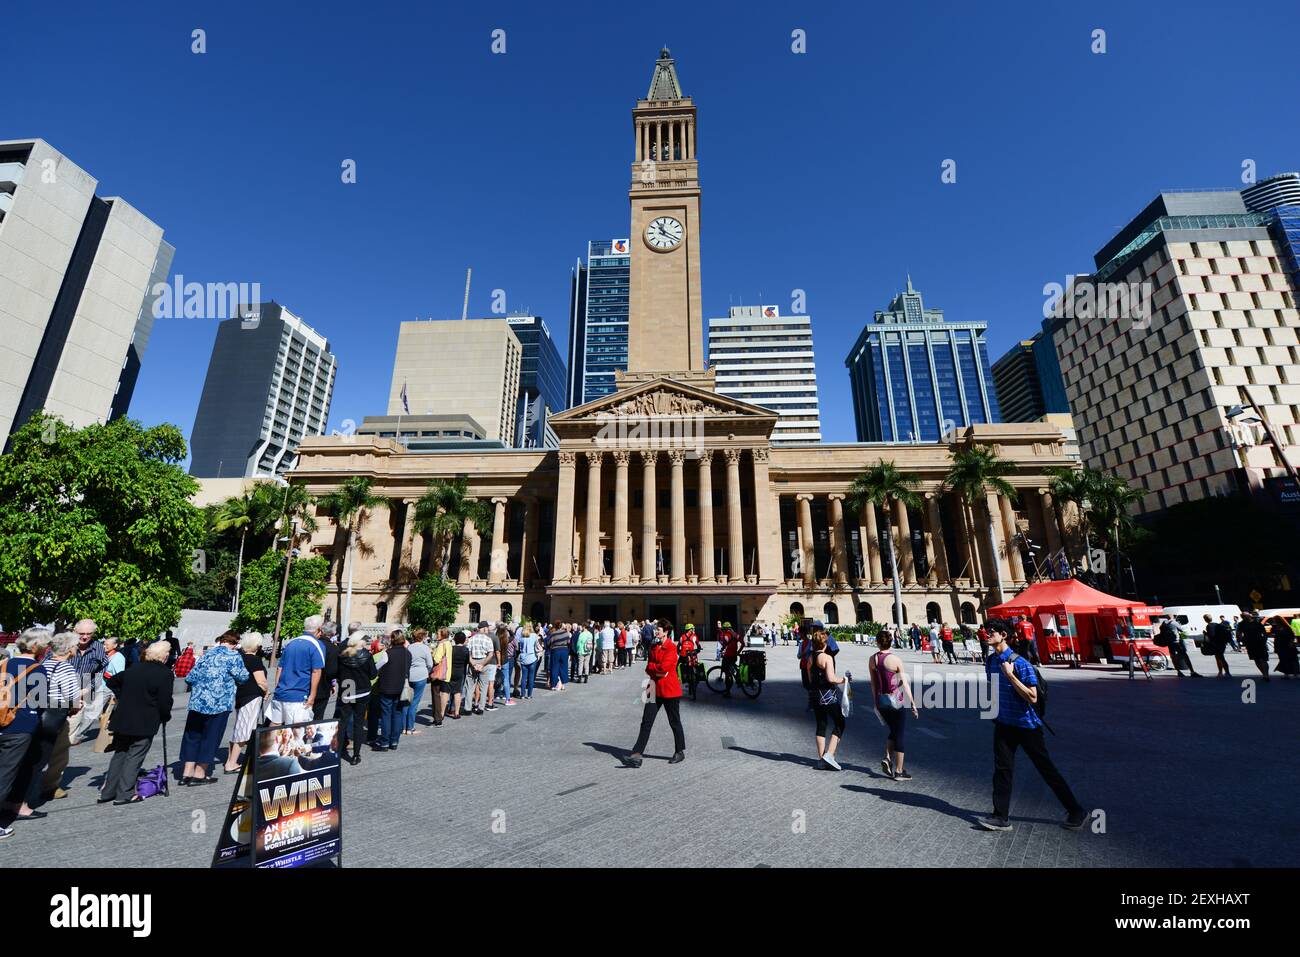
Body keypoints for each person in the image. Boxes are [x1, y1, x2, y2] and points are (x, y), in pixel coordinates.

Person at [979, 618, 1085, 832]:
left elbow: (1032, 697)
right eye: (985, 631)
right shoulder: (990, 661)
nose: (986, 634)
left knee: (1045, 769)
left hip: (1027, 726)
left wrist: (1010, 676)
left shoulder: (1020, 663)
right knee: (1002, 769)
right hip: (1004, 724)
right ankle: (1001, 817)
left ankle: (1076, 810)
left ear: (1004, 635)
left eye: (991, 631)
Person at [98, 641, 174, 806]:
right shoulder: (165, 674)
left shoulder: (134, 668)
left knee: (120, 753)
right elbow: (164, 701)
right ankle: (124, 794)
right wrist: (165, 716)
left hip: (124, 717)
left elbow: (112, 681)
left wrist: (122, 695)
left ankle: (108, 792)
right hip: (145, 719)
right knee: (135, 755)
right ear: (165, 656)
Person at [179, 631, 249, 785]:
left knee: (192, 736)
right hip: (219, 704)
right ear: (235, 643)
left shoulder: (207, 655)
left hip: (197, 703)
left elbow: (190, 678)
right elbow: (243, 677)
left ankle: (186, 773)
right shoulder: (233, 656)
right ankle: (199, 774)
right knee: (210, 737)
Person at [624, 621, 685, 768]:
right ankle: (637, 754)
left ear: (665, 632)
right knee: (646, 721)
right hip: (652, 687)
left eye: (658, 630)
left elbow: (664, 669)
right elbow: (648, 668)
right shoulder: (653, 646)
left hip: (670, 690)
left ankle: (679, 751)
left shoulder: (671, 647)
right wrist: (655, 668)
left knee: (674, 721)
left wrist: (655, 668)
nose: (655, 632)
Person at [869, 631, 918, 779]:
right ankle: (899, 770)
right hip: (896, 701)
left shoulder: (873, 659)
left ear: (877, 642)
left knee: (893, 730)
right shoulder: (895, 660)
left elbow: (873, 683)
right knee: (900, 734)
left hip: (881, 701)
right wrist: (913, 704)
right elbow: (904, 683)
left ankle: (888, 758)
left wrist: (875, 702)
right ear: (890, 642)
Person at [267, 615, 326, 725]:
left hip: (282, 691)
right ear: (319, 629)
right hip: (299, 694)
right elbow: (316, 671)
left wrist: (277, 687)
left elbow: (280, 667)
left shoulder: (291, 643)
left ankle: (271, 743)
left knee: (275, 725)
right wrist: (312, 696)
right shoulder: (317, 645)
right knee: (296, 731)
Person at [225, 635, 268, 773]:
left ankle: (230, 760)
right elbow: (261, 681)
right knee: (245, 730)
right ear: (257, 646)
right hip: (252, 696)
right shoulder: (254, 660)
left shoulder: (239, 658)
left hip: (240, 696)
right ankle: (232, 763)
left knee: (239, 728)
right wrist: (266, 691)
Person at [807, 631, 848, 771]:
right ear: (825, 644)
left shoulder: (811, 657)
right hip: (827, 695)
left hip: (814, 694)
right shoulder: (827, 658)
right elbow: (831, 678)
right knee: (840, 722)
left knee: (821, 724)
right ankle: (829, 755)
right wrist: (844, 680)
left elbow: (809, 676)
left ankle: (821, 759)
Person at [336, 634, 377, 763]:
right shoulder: (367, 655)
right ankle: (356, 755)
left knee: (342, 722)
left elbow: (337, 673)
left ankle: (338, 751)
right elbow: (373, 675)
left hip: (347, 690)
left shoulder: (343, 655)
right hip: (362, 691)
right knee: (358, 724)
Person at [67, 620, 108, 746]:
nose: (85, 637)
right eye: (82, 633)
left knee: (71, 729)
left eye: (89, 634)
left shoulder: (99, 648)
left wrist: (87, 689)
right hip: (61, 690)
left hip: (83, 691)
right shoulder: (64, 645)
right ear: (75, 631)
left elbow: (101, 671)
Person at [375, 630, 411, 750]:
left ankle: (385, 741)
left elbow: (377, 666)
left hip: (387, 687)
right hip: (401, 687)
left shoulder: (388, 653)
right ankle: (394, 741)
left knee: (386, 714)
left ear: (392, 639)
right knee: (398, 713)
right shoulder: (407, 653)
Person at [404, 628, 433, 733]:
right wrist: (427, 671)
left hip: (409, 675)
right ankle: (410, 727)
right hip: (421, 675)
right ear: (423, 637)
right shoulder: (425, 648)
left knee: (406, 701)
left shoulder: (409, 647)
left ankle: (403, 726)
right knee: (415, 702)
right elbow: (430, 664)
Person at [310, 622, 341, 721]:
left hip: (307, 683)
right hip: (323, 686)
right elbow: (332, 671)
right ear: (333, 633)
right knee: (318, 715)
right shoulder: (334, 649)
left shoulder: (313, 644)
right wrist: (333, 683)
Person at [465, 623, 495, 714]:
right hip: (484, 662)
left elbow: (468, 653)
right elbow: (490, 654)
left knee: (470, 687)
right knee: (483, 686)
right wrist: (482, 664)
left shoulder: (471, 639)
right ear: (485, 629)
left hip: (473, 661)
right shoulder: (488, 639)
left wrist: (473, 663)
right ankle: (481, 708)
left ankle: (468, 708)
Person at [428, 627, 453, 724]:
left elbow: (436, 660)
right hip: (446, 672)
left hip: (438, 673)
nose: (436, 635)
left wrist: (431, 654)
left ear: (442, 634)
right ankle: (439, 716)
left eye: (438, 633)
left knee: (435, 695)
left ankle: (437, 718)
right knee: (441, 694)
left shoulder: (441, 645)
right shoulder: (449, 644)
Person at [1238, 613, 1270, 681]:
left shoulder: (1257, 623)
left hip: (1260, 643)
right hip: (1250, 644)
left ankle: (1266, 675)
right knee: (1256, 660)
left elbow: (1264, 632)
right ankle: (1264, 674)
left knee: (1263, 659)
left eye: (1245, 616)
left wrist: (1264, 640)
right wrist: (1242, 640)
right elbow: (1239, 633)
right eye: (1243, 617)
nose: (1244, 618)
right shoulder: (1241, 624)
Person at [448, 631, 471, 718]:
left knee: (449, 691)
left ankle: (450, 708)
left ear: (454, 639)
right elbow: (467, 661)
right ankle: (456, 712)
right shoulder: (466, 650)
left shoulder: (451, 648)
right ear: (464, 640)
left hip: (450, 671)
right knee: (458, 692)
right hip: (461, 672)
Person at [718, 621, 742, 697]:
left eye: (723, 629)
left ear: (725, 629)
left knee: (727, 674)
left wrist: (722, 650)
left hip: (727, 656)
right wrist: (738, 651)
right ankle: (738, 679)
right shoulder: (736, 634)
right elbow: (743, 643)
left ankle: (728, 692)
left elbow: (724, 644)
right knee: (733, 666)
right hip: (734, 655)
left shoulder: (726, 635)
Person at [517, 624, 540, 699]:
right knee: (531, 677)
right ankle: (529, 695)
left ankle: (522, 694)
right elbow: (537, 646)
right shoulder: (534, 636)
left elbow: (519, 647)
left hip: (523, 657)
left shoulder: (521, 637)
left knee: (524, 677)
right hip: (532, 657)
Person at [678, 624, 701, 700]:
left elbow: (678, 646)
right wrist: (696, 651)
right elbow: (699, 647)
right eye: (693, 629)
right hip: (691, 656)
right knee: (695, 667)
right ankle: (696, 678)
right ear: (690, 630)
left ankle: (679, 677)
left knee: (676, 666)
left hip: (683, 657)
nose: (694, 630)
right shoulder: (694, 636)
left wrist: (679, 653)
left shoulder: (682, 636)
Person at [497, 625, 518, 707]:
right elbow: (513, 636)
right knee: (506, 680)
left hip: (496, 661)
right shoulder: (506, 640)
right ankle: (507, 699)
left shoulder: (496, 639)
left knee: (494, 679)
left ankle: (495, 695)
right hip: (505, 660)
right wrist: (509, 630)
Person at [547, 624, 570, 691]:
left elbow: (548, 643)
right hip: (564, 651)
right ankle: (563, 685)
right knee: (564, 667)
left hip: (555, 651)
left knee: (554, 667)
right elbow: (569, 642)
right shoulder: (566, 633)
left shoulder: (553, 634)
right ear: (561, 626)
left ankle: (553, 685)